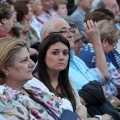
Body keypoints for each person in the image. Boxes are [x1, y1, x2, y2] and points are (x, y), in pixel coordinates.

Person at [0, 37, 80, 119]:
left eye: (30, 58)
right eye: (24, 60)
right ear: (5, 69)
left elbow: (65, 110)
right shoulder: (4, 98)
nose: (32, 64)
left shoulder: (30, 87)